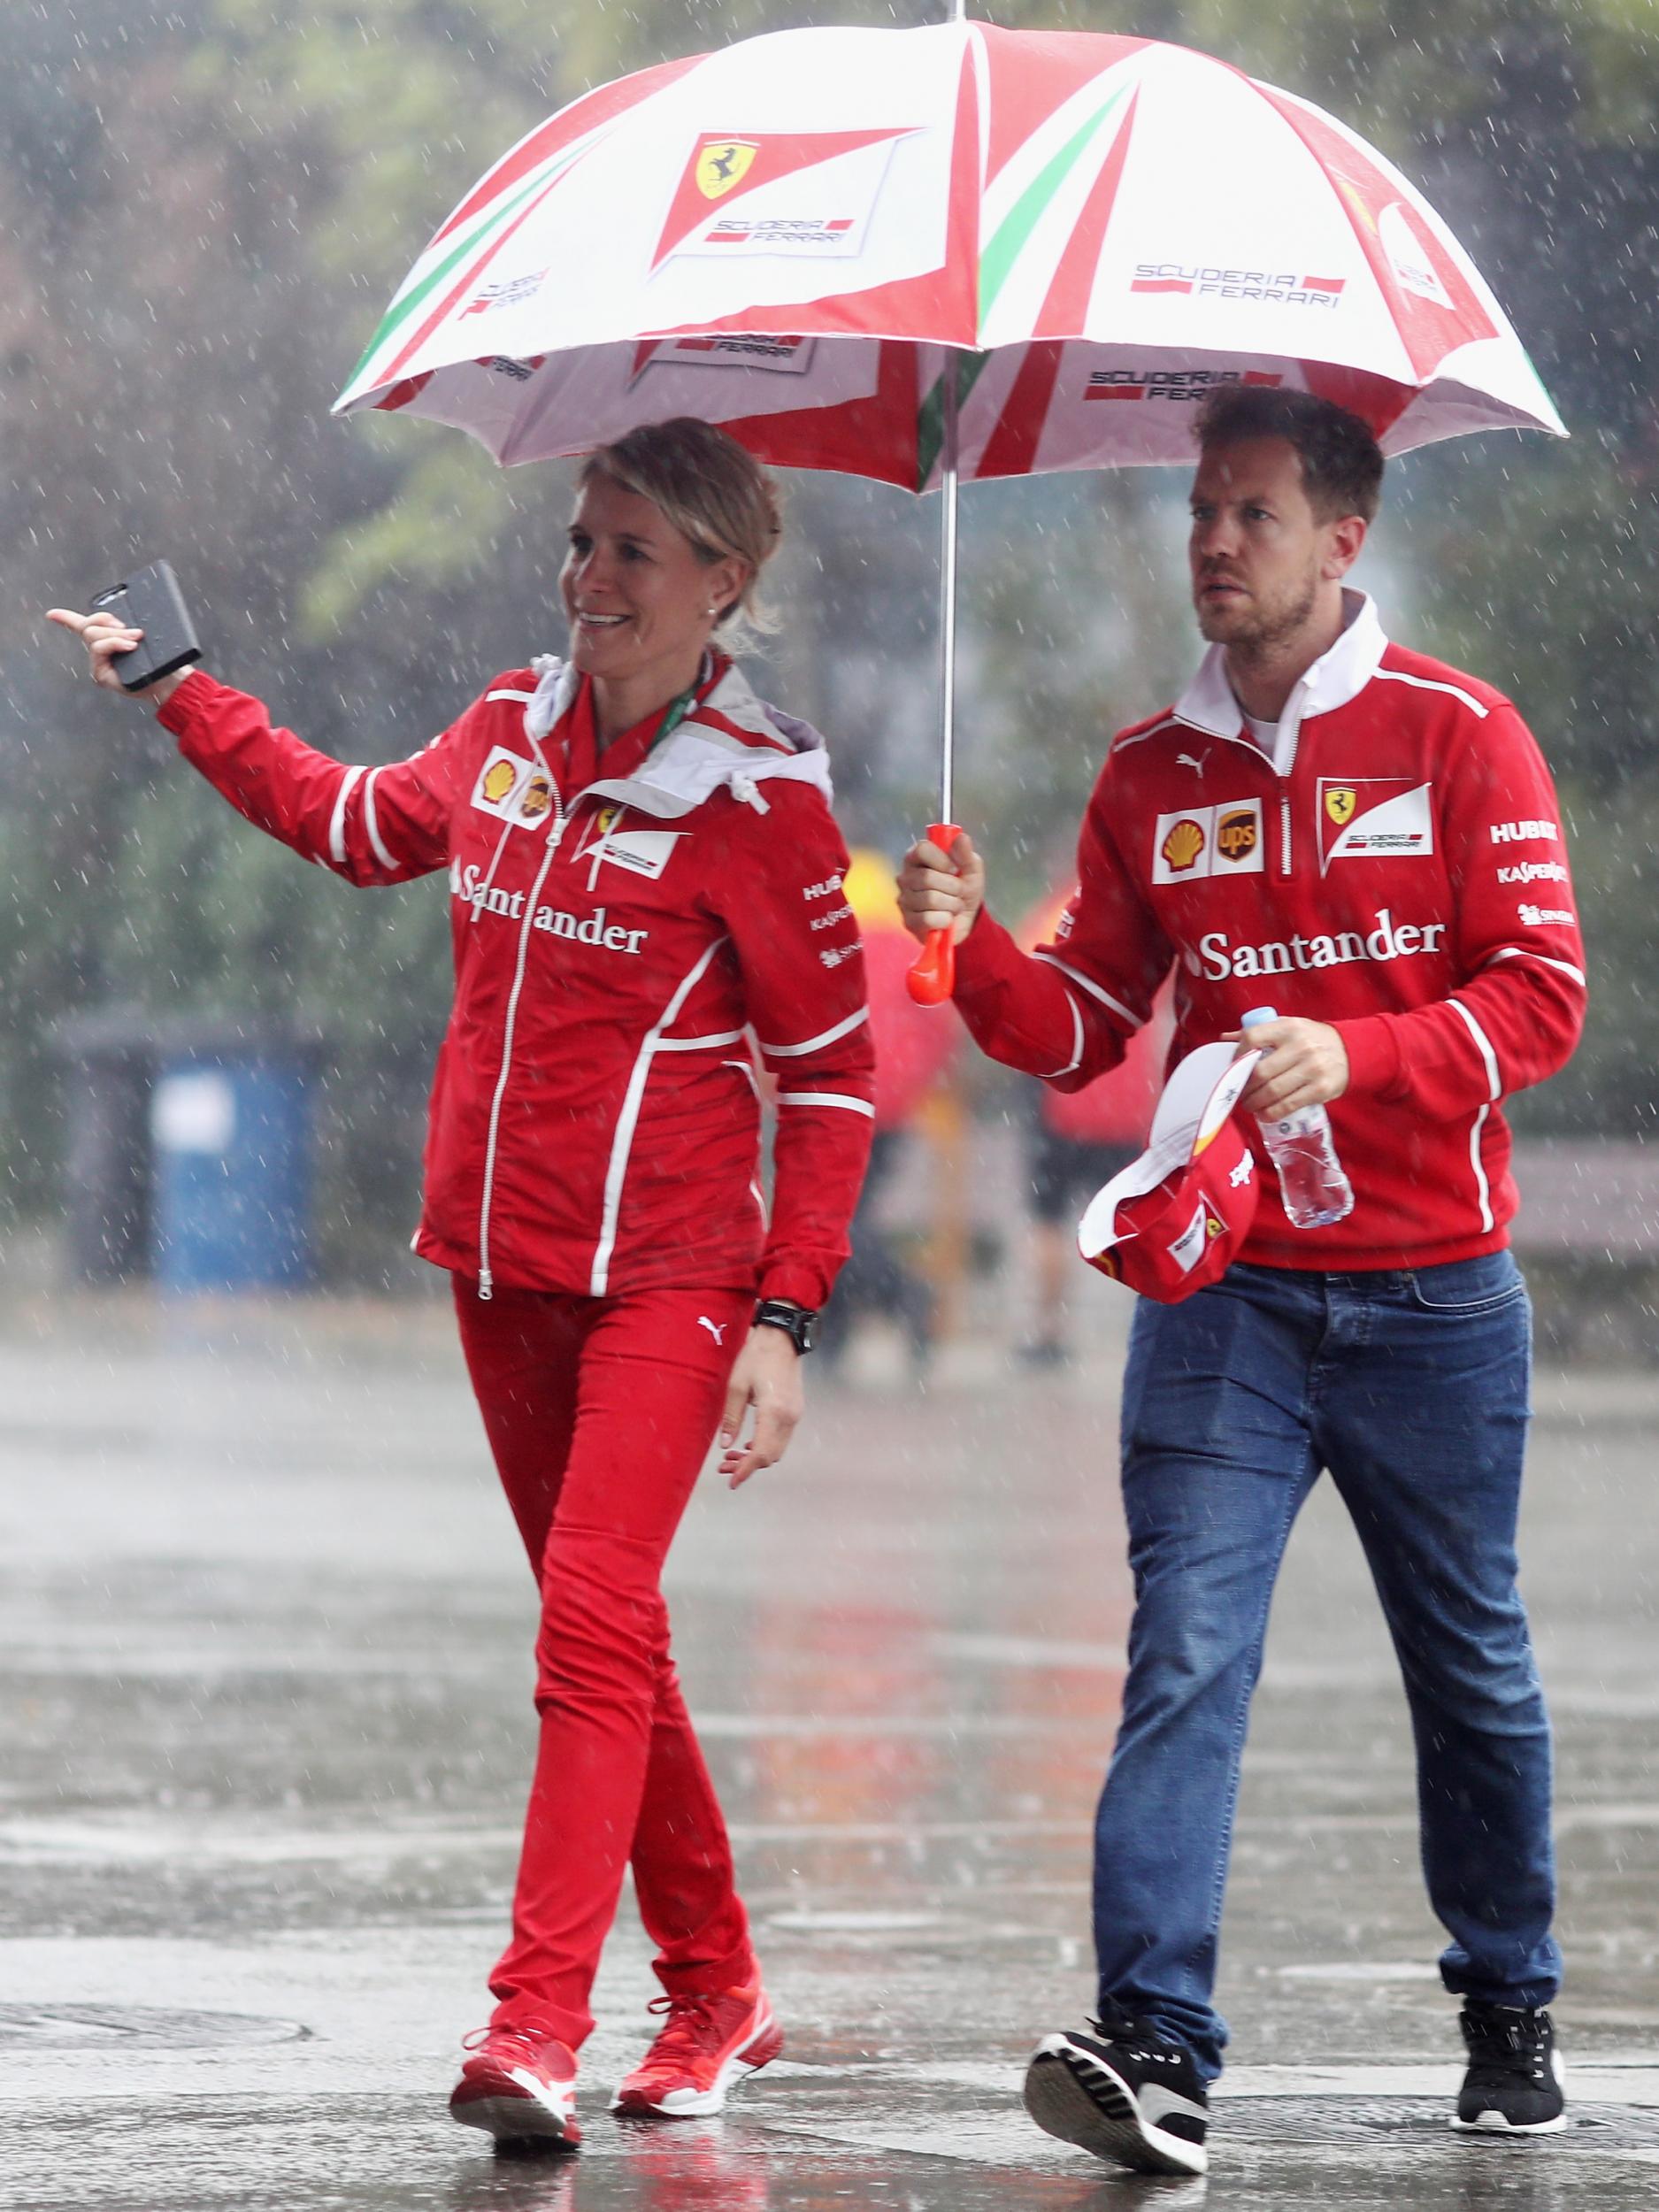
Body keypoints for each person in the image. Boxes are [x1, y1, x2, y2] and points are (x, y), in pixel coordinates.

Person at [49, 418, 875, 2149]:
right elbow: (351, 823)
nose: (586, 579)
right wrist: (182, 684)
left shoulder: (764, 799)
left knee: (585, 1621)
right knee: (609, 1634)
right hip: (497, 1274)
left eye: (630, 552)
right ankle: (719, 1987)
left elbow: (830, 1077)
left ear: (722, 583)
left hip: (672, 1278)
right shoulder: (505, 731)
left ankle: (537, 2021)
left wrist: (785, 1317)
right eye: (579, 543)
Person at [898, 386, 1585, 2177]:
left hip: (1434, 1294)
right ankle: (1154, 2042)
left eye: (1251, 516)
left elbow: (1541, 997)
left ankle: (1506, 1994)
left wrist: (1361, 1060)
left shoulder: (1459, 736)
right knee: (1184, 1655)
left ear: (1342, 539)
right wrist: (968, 947)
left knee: (1473, 1671)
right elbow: (1080, 1027)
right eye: (1200, 512)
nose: (1211, 542)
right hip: (1227, 1298)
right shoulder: (1146, 772)